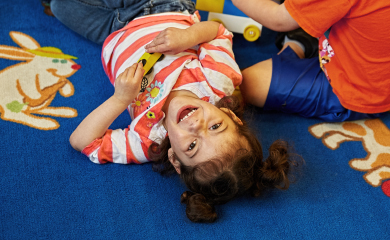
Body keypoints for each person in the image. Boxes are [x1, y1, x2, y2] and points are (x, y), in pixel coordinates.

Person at [46, 0, 300, 223]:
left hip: (113, 31)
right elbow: (218, 32)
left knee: (59, 6)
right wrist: (188, 37)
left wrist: (120, 99)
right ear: (231, 116)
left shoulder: (149, 141)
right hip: (162, 7)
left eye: (192, 146)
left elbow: (82, 142)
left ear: (175, 160)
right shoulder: (217, 80)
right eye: (215, 127)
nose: (195, 125)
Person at [232, 0, 390, 122]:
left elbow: (277, 18)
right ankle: (299, 43)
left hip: (360, 90)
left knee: (249, 83)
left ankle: (297, 44)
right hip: (365, 59)